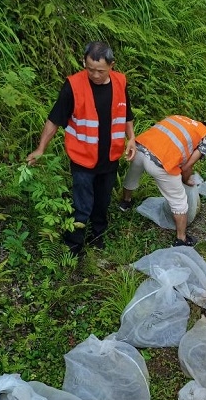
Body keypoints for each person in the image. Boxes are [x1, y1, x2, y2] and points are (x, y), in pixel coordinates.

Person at [27, 41, 136, 255]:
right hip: (82, 158)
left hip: (110, 157)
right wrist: (41, 148)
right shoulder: (73, 86)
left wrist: (131, 138)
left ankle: (98, 236)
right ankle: (74, 244)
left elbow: (126, 113)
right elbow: (54, 119)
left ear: (112, 65)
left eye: (100, 71)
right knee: (82, 203)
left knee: (103, 200)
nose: (94, 75)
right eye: (90, 69)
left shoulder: (120, 82)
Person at [119, 115, 206, 247]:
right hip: (160, 161)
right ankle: (181, 239)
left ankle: (125, 202)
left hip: (140, 147)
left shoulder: (180, 119)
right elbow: (187, 166)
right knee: (179, 200)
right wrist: (186, 180)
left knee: (133, 174)